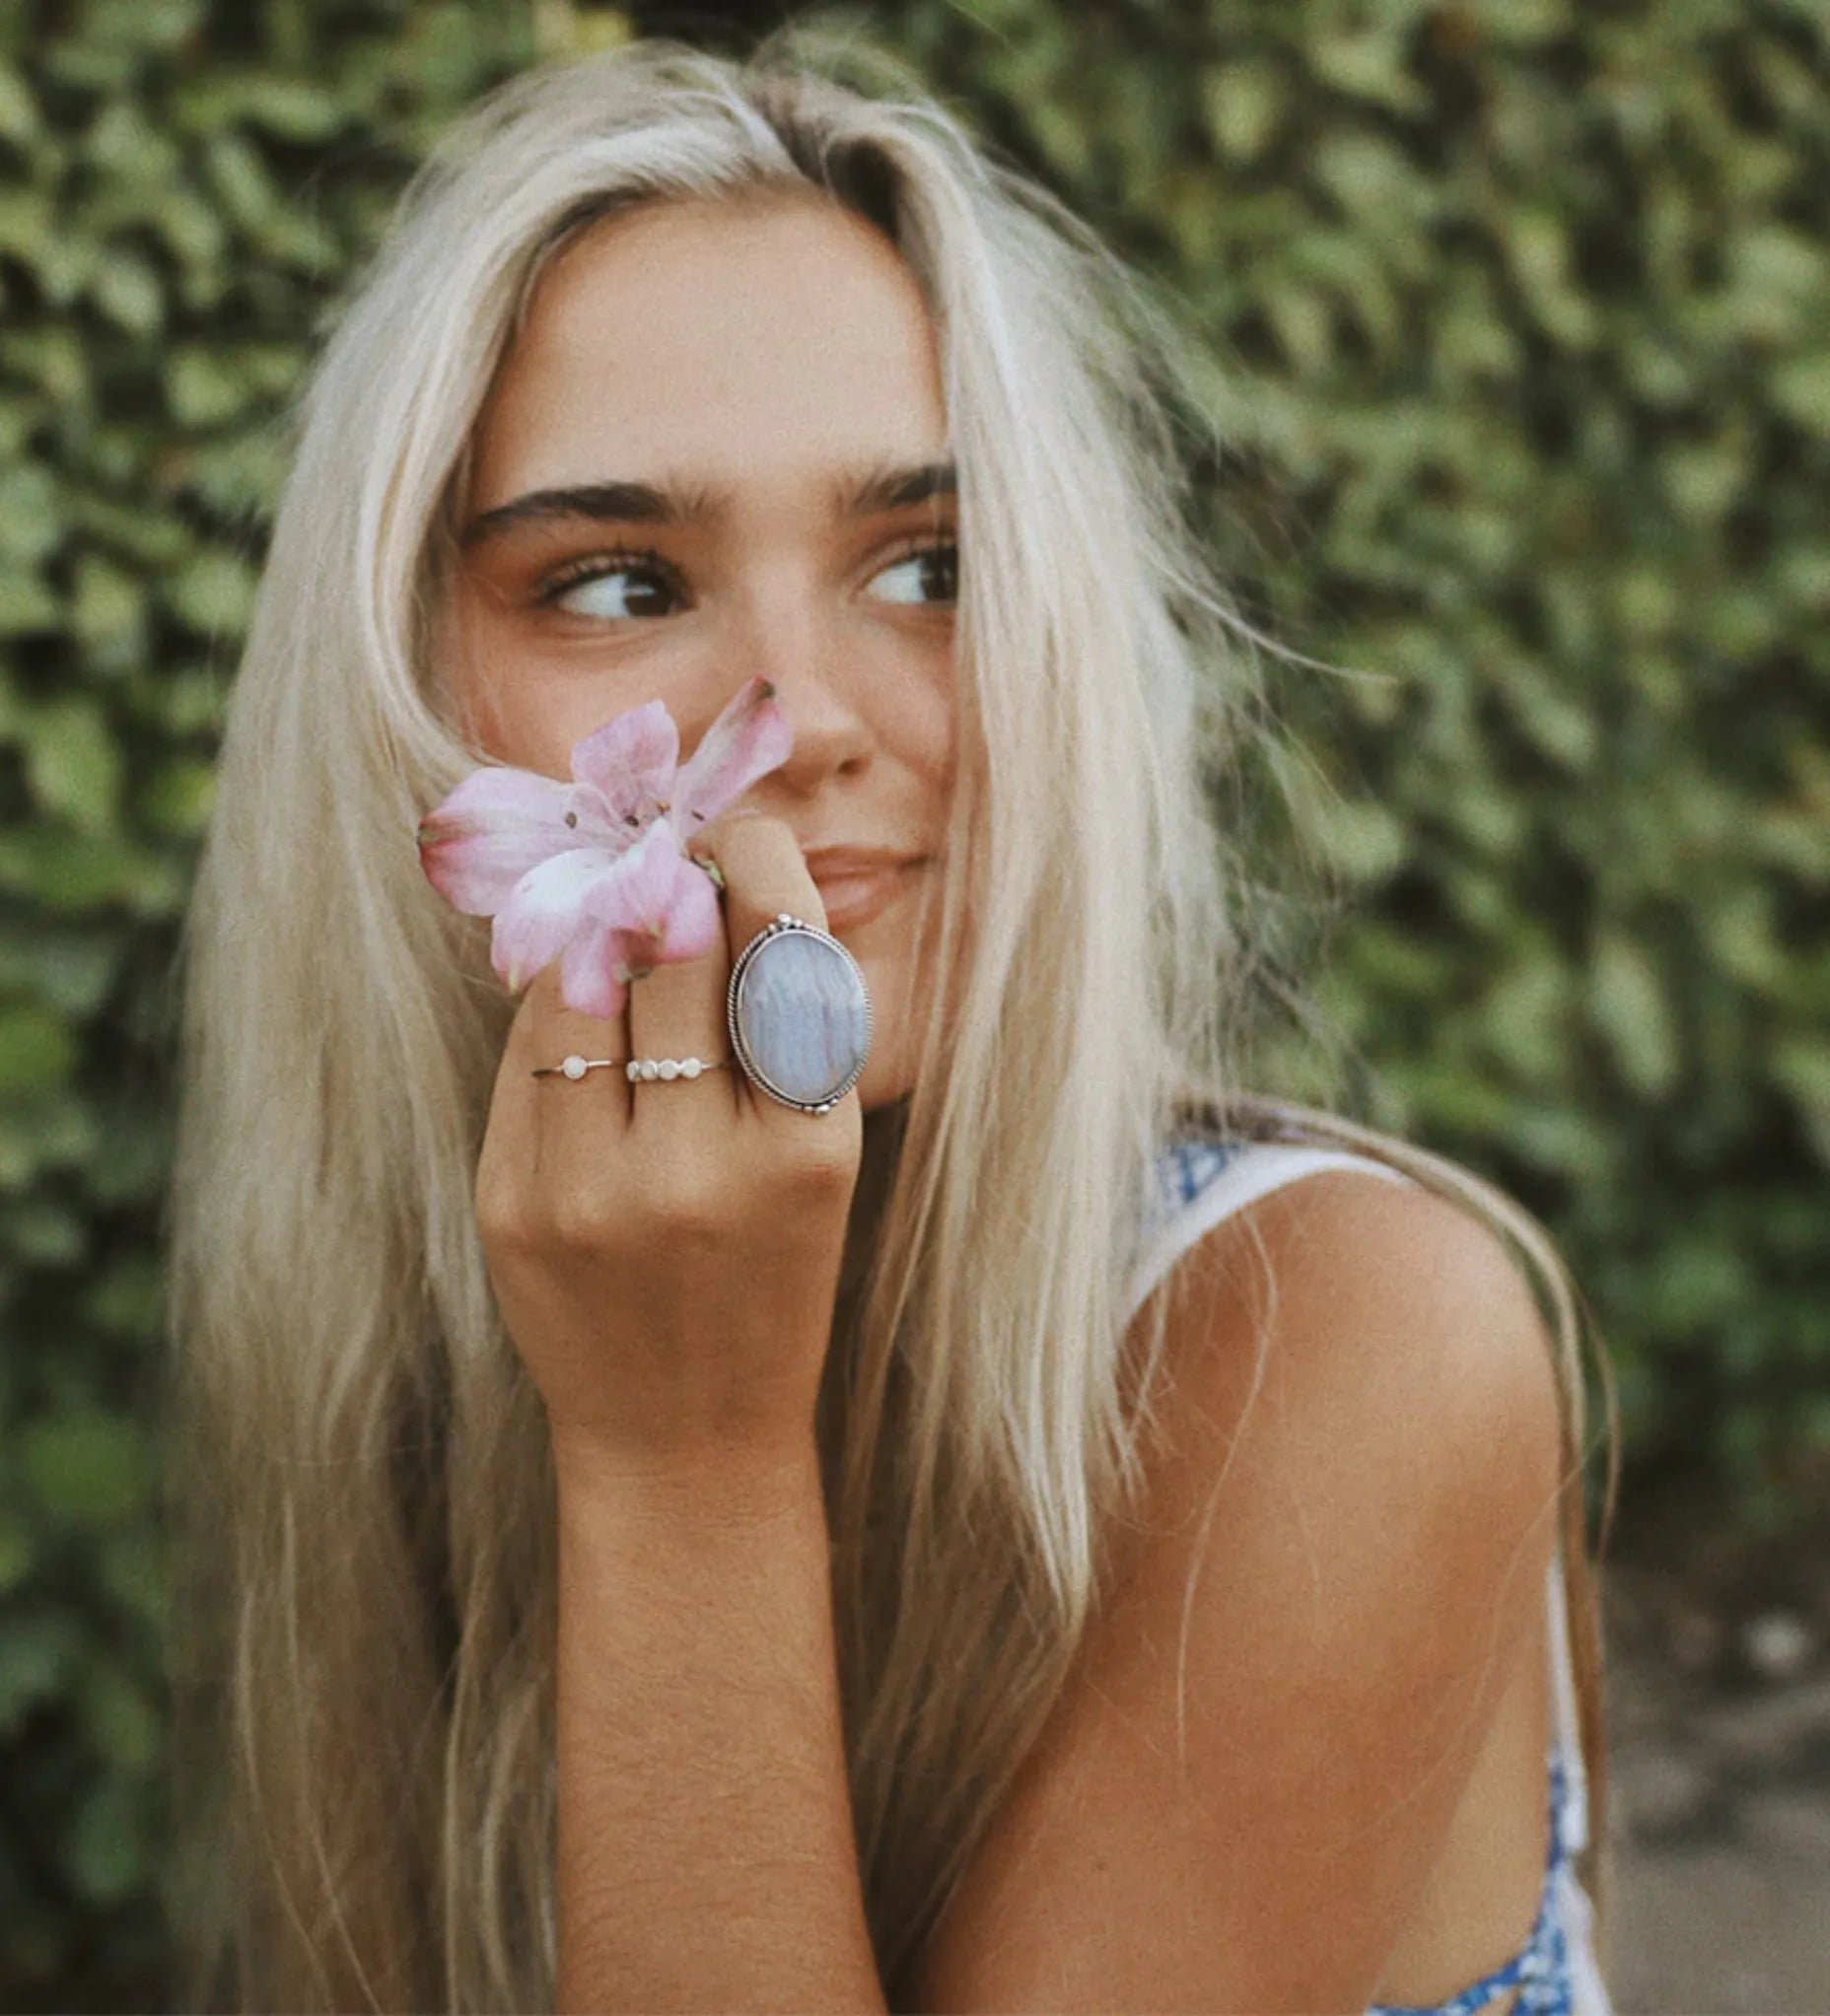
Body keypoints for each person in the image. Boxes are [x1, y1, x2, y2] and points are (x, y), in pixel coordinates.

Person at [167, 35, 1615, 2015]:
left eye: (930, 567)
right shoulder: (426, 1353)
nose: (806, 715)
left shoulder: (1347, 1342)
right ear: (407, 690)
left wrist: (681, 1467)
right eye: (610, 581)